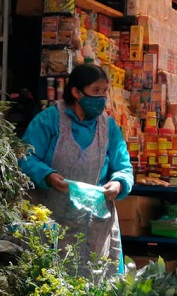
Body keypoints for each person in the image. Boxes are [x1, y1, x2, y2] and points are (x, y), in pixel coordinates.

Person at [18, 64, 134, 275]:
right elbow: (25, 156)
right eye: (95, 91)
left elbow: (124, 166)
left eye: (104, 92)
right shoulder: (49, 120)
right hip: (51, 219)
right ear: (76, 92)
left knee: (93, 281)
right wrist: (47, 174)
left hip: (94, 225)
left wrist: (119, 182)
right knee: (49, 279)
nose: (101, 98)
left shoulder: (108, 128)